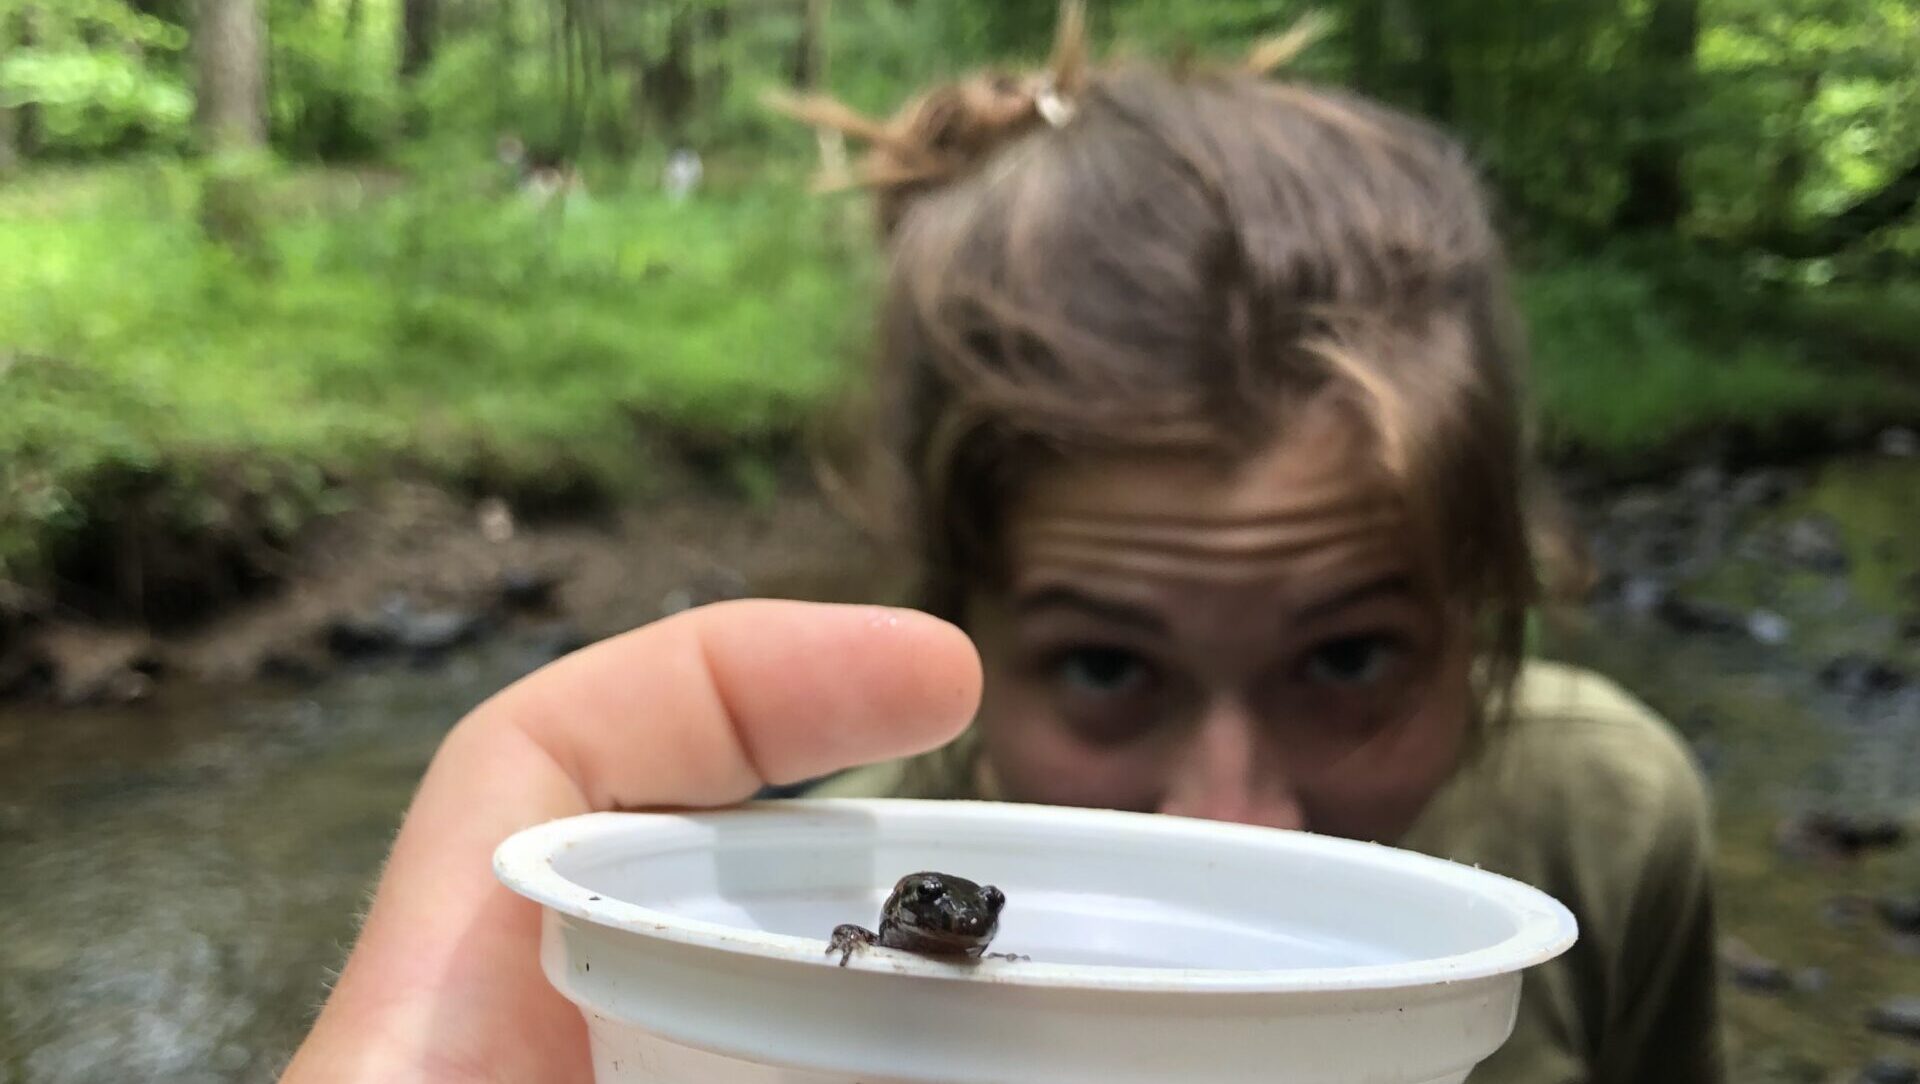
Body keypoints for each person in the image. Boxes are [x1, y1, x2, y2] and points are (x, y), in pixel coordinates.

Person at [284, 12, 1724, 1083]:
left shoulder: (1604, 821)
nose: (1231, 822)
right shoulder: (792, 914)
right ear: (953, 618)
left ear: (1490, 607)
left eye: (1350, 656)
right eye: (1106, 666)